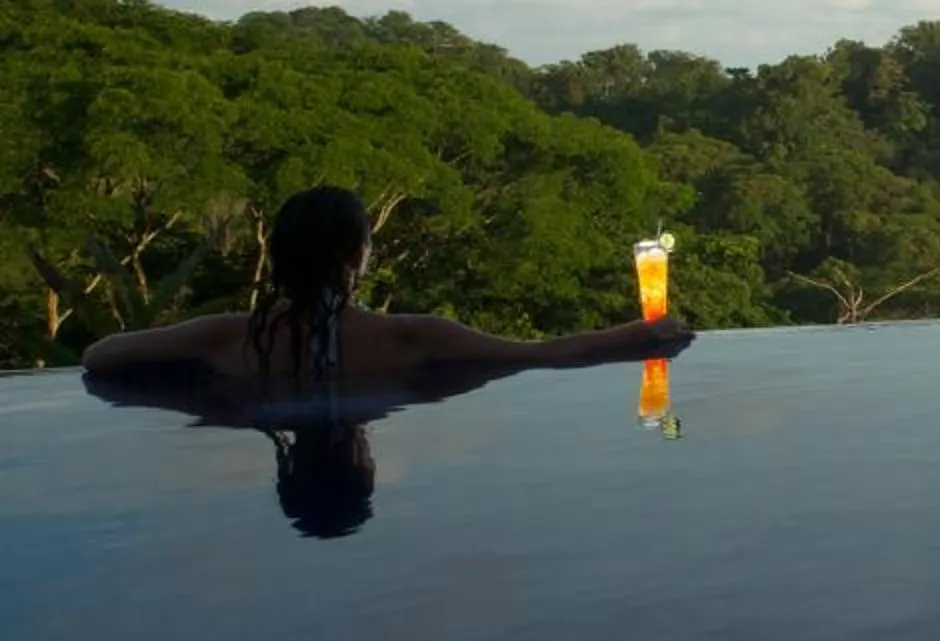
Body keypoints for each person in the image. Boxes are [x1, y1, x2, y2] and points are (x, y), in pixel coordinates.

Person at [79, 184, 691, 385]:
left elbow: (99, 356)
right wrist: (646, 333)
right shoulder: (409, 338)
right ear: (357, 255)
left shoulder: (225, 337)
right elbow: (545, 354)